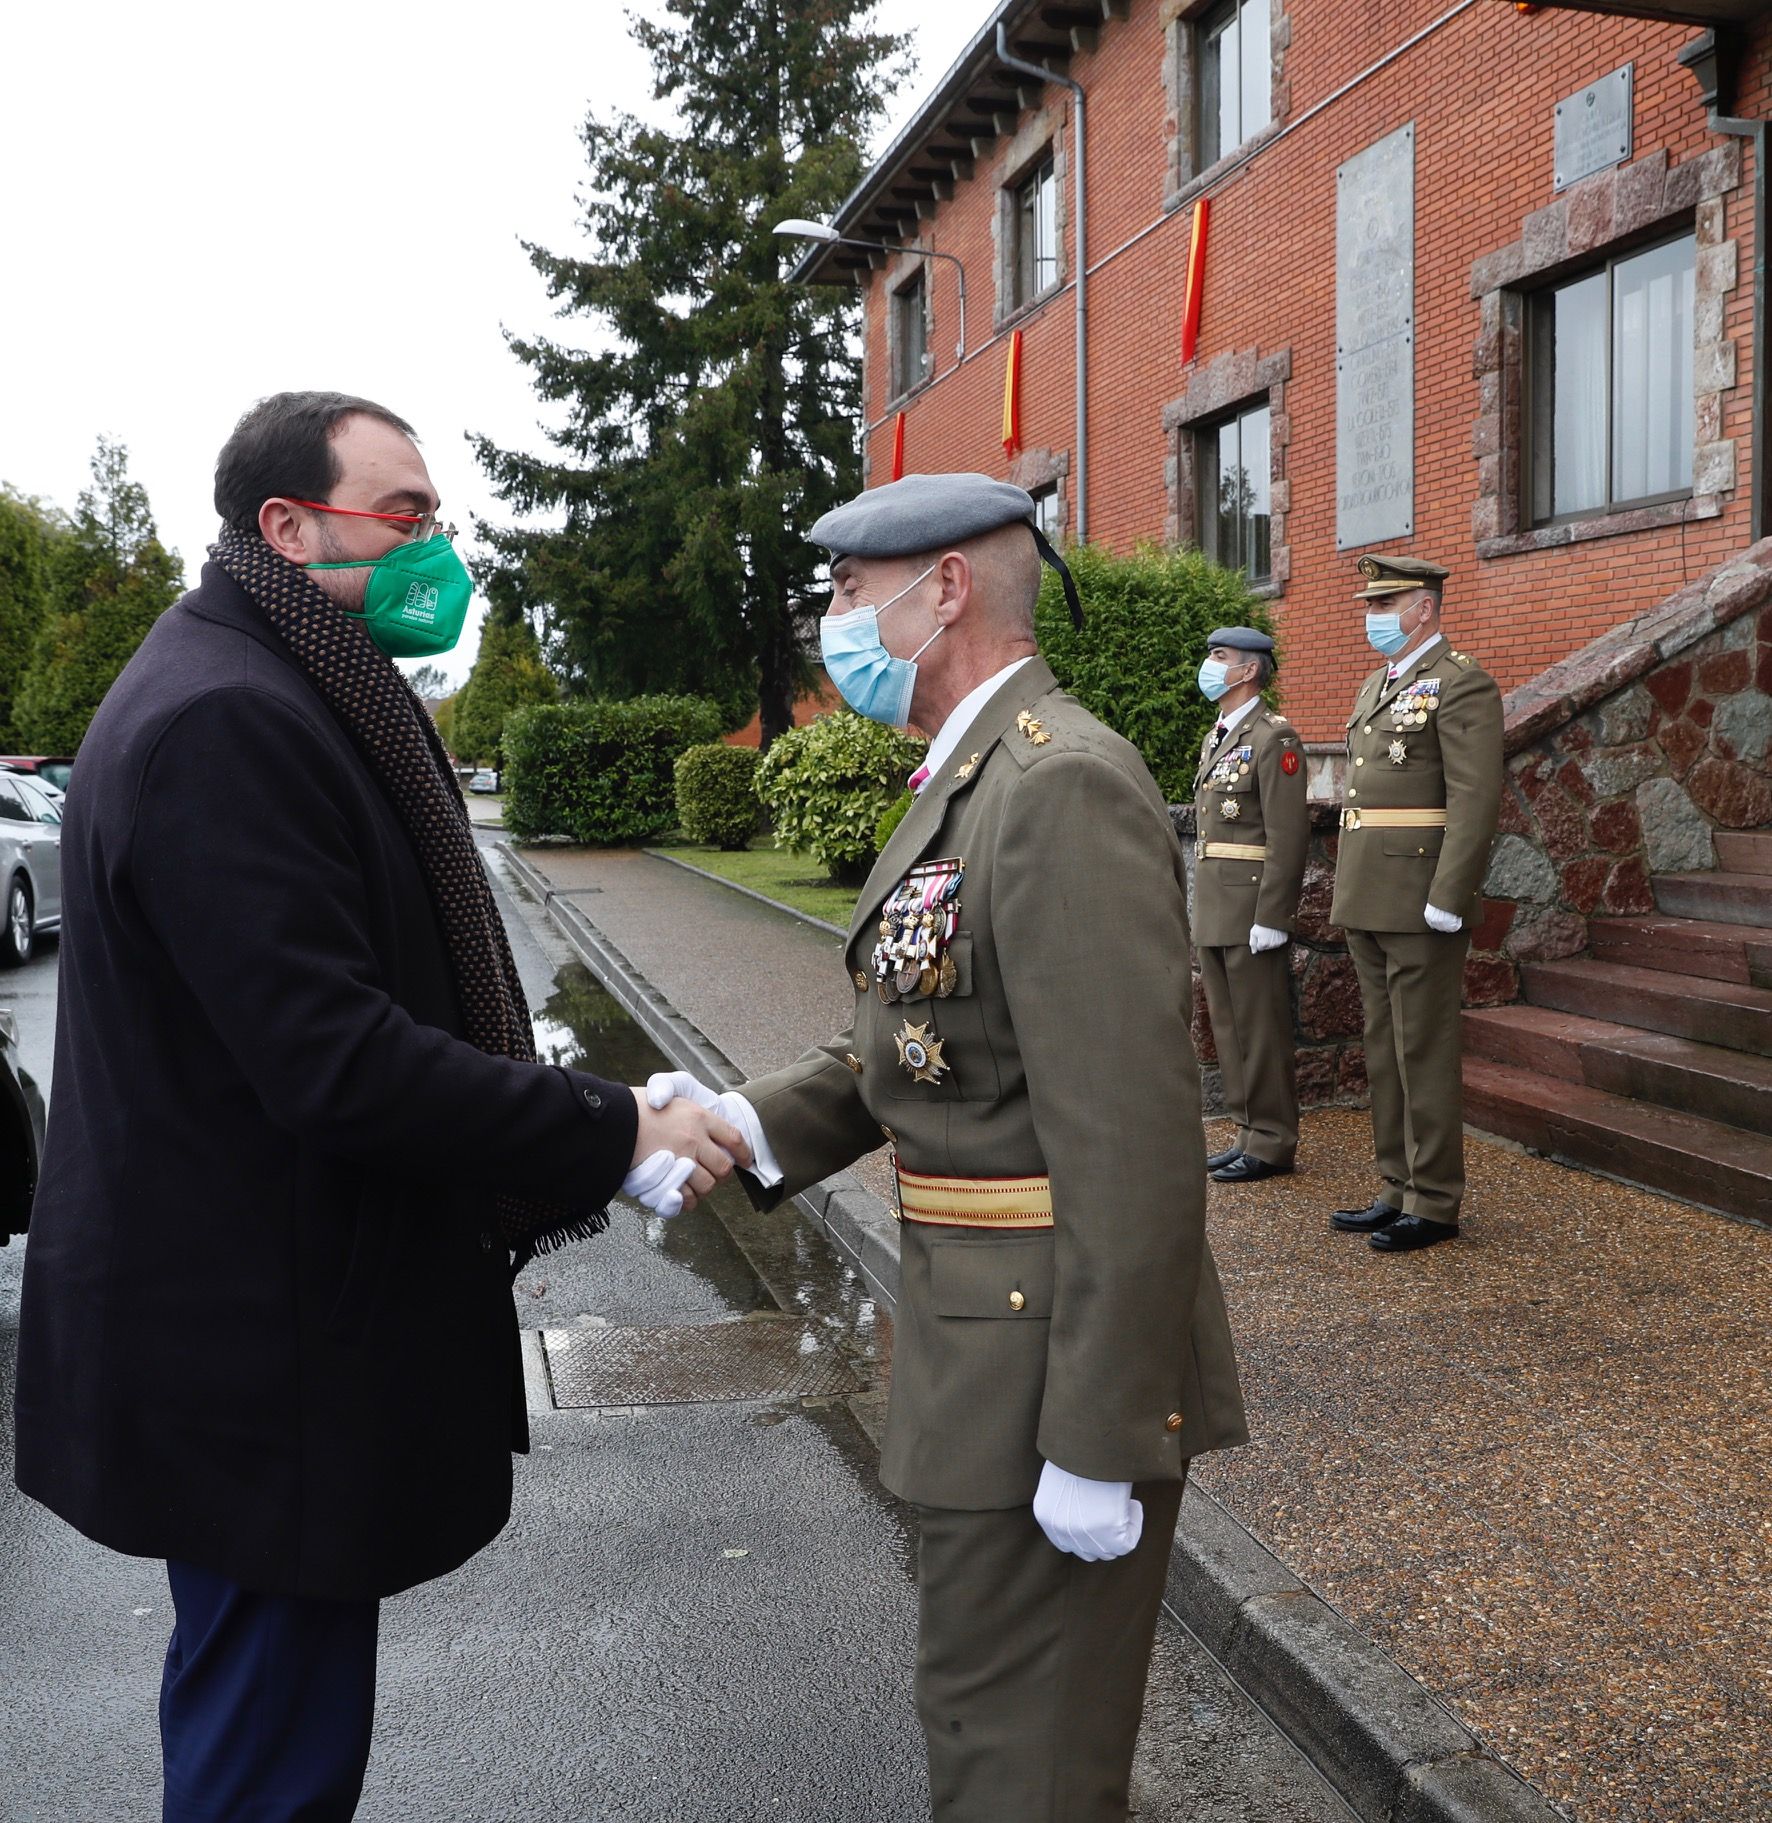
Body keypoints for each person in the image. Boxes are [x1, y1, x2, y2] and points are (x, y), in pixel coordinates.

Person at [12, 392, 747, 1823]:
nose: (435, 546)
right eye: (403, 514)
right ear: (285, 525)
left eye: (436, 515)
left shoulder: (279, 682)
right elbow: (337, 1058)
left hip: (260, 1339)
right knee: (266, 1760)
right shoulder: (231, 713)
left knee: (266, 1720)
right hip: (256, 1357)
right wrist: (614, 1128)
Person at [653, 473, 1247, 1822]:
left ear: (946, 591)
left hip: (1049, 1373)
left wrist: (1103, 1431)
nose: (834, 623)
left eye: (851, 594)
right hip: (985, 1350)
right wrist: (740, 1123)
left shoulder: (1059, 783)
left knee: (1020, 1768)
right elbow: (928, 1044)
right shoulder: (976, 774)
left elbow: (1136, 1145)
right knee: (987, 1724)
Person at [1329, 554, 1502, 1253]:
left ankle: (1434, 1198)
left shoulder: (1461, 684)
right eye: (1370, 605)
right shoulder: (1381, 682)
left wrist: (1449, 894)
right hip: (1369, 894)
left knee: (1422, 1049)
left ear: (1423, 608)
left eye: (1384, 604)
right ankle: (1396, 1184)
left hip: (1420, 895)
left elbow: (1475, 797)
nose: (1372, 617)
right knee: (1382, 1048)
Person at [1192, 627, 1309, 1184]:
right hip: (1217, 906)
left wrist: (1273, 915)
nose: (1209, 666)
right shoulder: (1218, 735)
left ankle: (1272, 1139)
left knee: (1260, 1029)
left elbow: (1287, 836)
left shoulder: (1273, 738)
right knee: (1230, 1026)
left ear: (1248, 671)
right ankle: (1246, 1131)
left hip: (1250, 909)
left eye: (1220, 657)